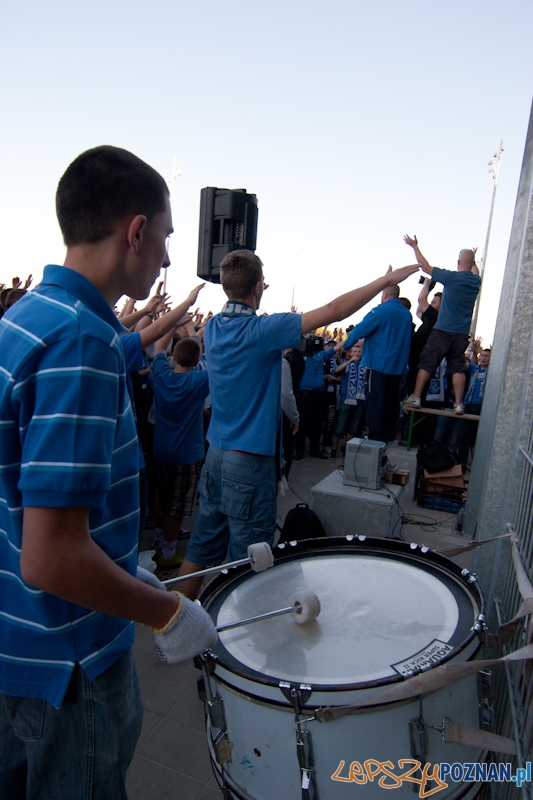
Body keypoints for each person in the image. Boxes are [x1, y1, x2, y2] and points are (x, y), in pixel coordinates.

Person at [0, 145, 217, 800]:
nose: (168, 257)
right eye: (167, 237)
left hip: (20, 645)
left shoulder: (30, 317)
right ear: (136, 230)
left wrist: (120, 561)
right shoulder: (80, 341)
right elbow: (52, 557)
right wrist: (166, 612)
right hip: (72, 662)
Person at [176, 250, 419, 598]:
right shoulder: (262, 330)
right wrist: (384, 282)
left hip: (215, 454)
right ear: (259, 286)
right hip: (250, 460)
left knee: (200, 546)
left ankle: (171, 632)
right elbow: (335, 310)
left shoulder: (213, 328)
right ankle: (244, 640)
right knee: (250, 560)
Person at [403, 235, 481, 415]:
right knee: (457, 366)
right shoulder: (476, 281)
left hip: (443, 330)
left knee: (427, 364)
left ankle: (416, 397)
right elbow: (474, 270)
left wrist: (415, 247)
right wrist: (473, 259)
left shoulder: (452, 278)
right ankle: (459, 404)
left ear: (458, 262)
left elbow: (426, 266)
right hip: (461, 333)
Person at [151, 328, 210, 568]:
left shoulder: (161, 376)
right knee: (176, 506)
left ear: (173, 355)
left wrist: (171, 324)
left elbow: (156, 349)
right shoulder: (198, 381)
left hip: (161, 450)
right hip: (186, 455)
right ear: (197, 361)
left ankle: (157, 541)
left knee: (161, 499)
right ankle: (168, 553)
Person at [337, 281, 413, 443]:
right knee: (390, 407)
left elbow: (359, 330)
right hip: (398, 369)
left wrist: (348, 346)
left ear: (384, 295)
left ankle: (374, 442)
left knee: (375, 407)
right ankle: (385, 440)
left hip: (379, 367)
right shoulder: (406, 315)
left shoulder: (381, 311)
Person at [331, 342, 366, 458]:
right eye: (354, 352)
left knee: (353, 427)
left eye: (359, 352)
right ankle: (334, 449)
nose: (357, 354)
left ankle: (348, 450)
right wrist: (350, 361)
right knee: (340, 425)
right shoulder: (346, 364)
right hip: (346, 399)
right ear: (350, 353)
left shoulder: (364, 365)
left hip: (359, 399)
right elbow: (336, 371)